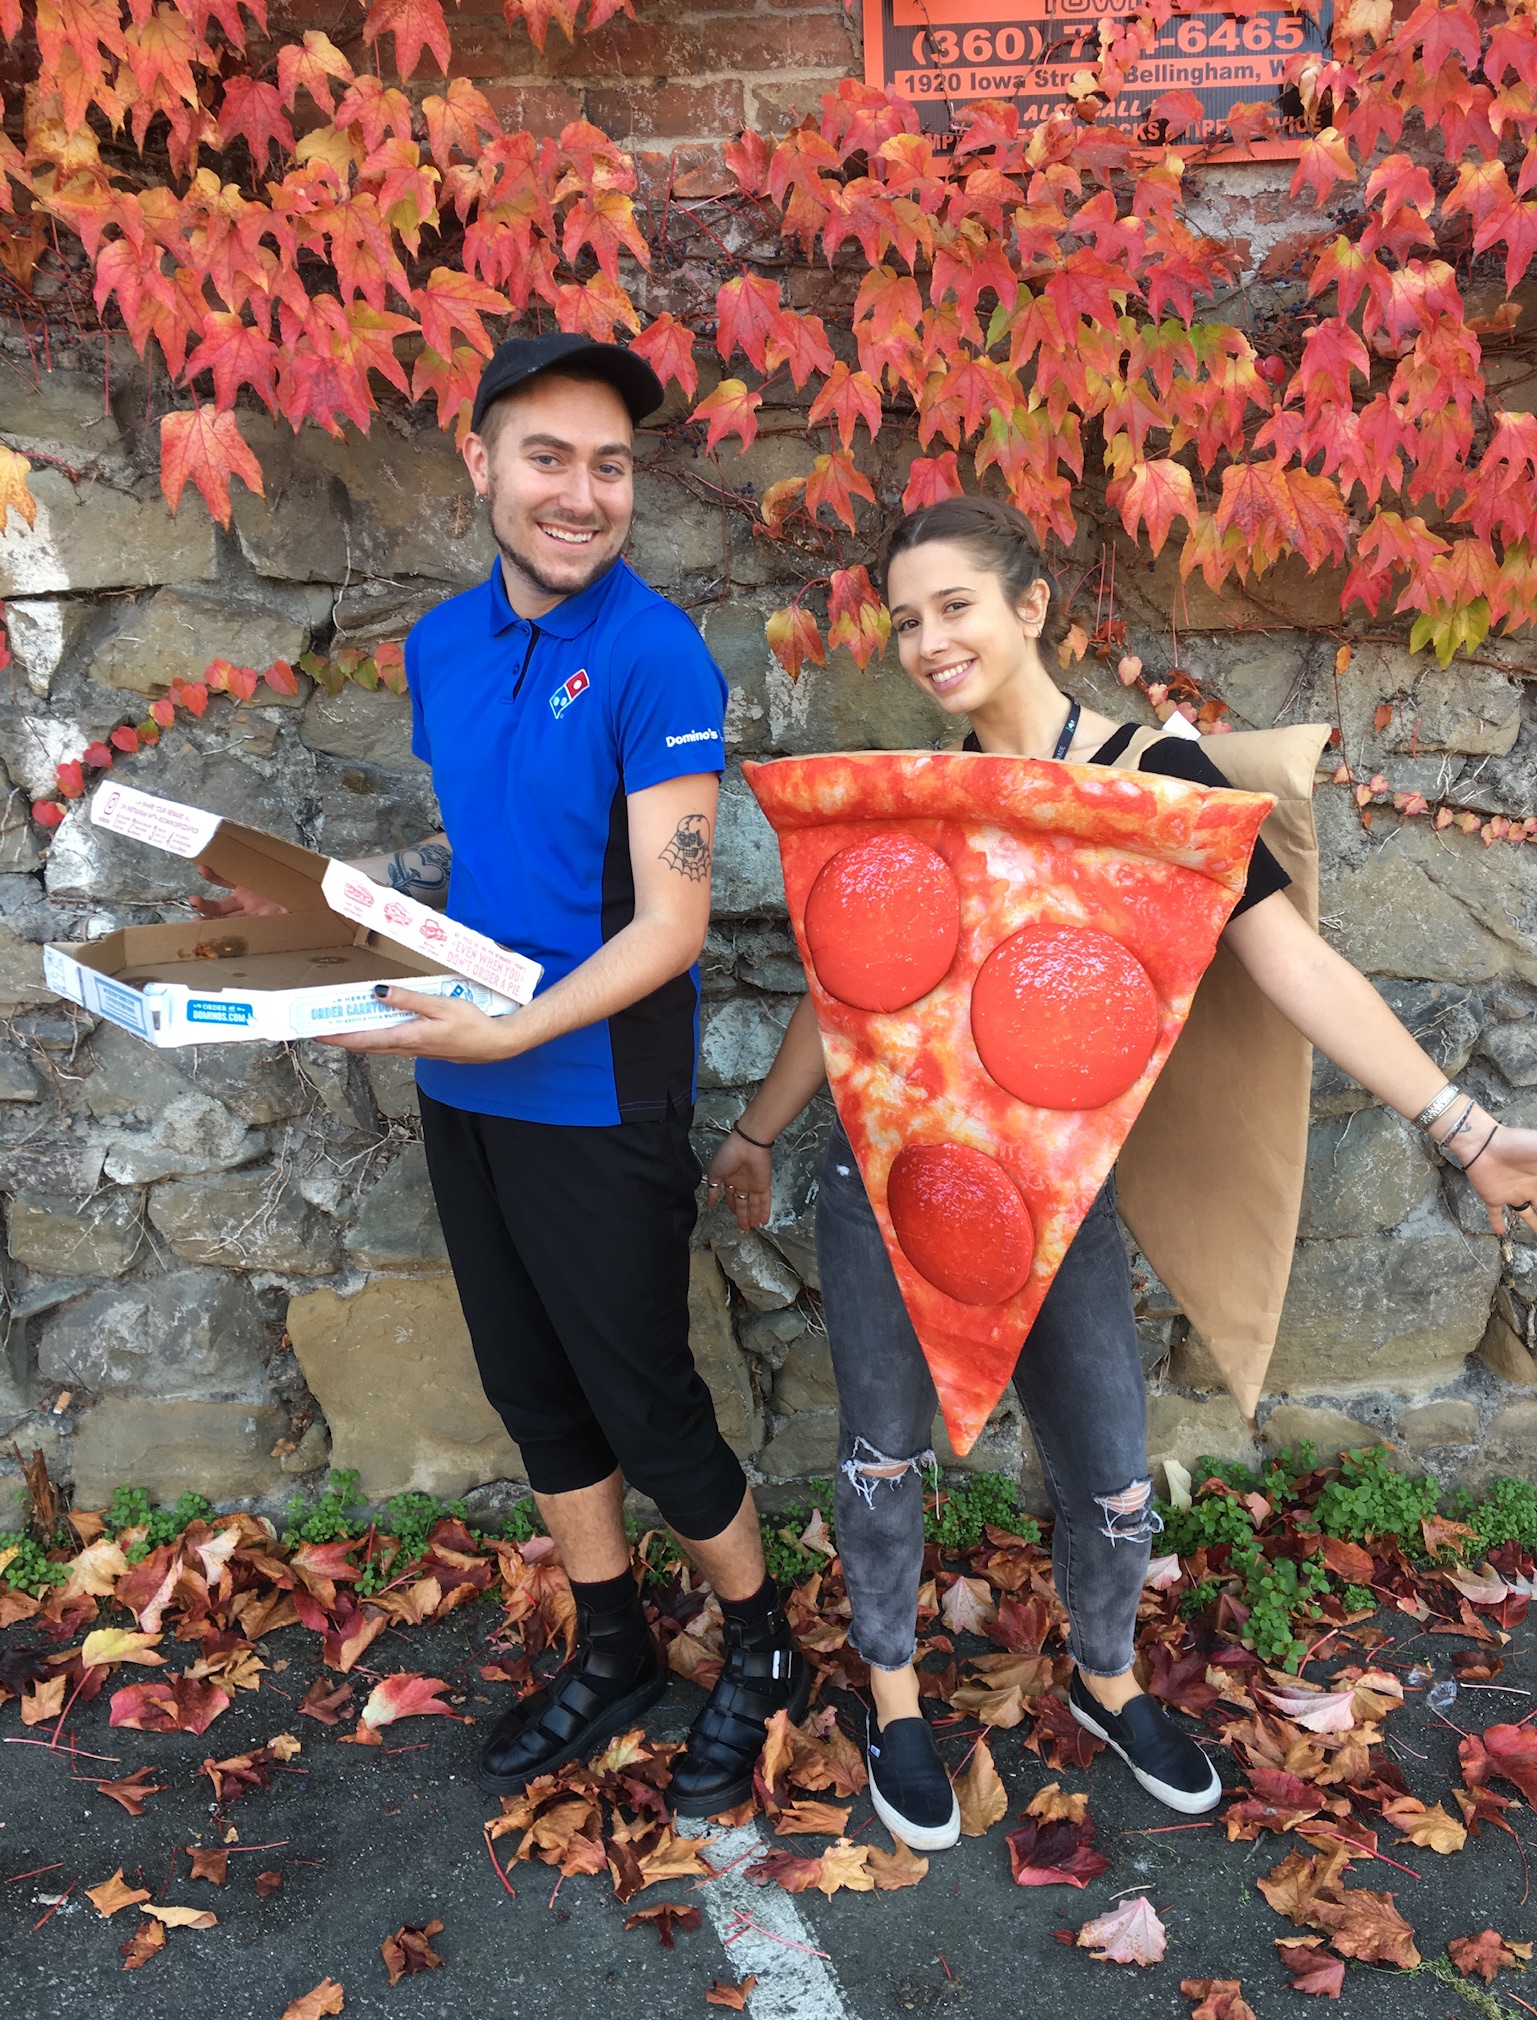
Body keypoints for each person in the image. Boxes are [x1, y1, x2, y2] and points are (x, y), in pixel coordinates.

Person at [706, 493, 1537, 1851]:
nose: (927, 639)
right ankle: (896, 1701)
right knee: (878, 1458)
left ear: (1030, 607)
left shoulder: (1165, 780)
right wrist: (750, 1131)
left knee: (1106, 1466)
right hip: (888, 1185)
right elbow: (845, 995)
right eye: (905, 619)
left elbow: (1292, 966)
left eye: (954, 605)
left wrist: (1459, 1123)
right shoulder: (918, 804)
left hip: (1059, 1201)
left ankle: (1103, 1678)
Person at [192, 333, 807, 1817]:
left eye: (608, 466)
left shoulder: (655, 652)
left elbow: (667, 924)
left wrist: (510, 1028)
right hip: (463, 1077)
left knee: (647, 1405)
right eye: (548, 457)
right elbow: (468, 858)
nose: (581, 494)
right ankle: (612, 1651)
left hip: (592, 1087)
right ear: (481, 463)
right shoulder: (442, 645)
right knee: (537, 1394)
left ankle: (766, 1649)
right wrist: (326, 908)